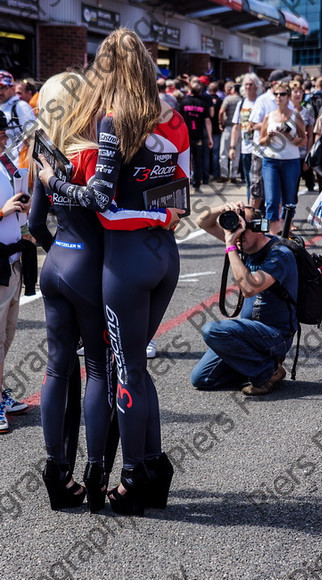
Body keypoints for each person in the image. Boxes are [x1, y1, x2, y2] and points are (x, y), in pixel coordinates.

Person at [37, 27, 189, 516]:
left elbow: (100, 197)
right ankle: (153, 468)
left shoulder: (110, 121)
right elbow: (179, 198)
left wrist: (51, 178)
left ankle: (129, 480)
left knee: (121, 371)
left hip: (122, 256)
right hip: (164, 249)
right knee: (137, 372)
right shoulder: (174, 119)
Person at [29, 72, 115, 511]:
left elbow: (33, 225)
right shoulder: (96, 151)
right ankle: (97, 471)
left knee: (57, 368)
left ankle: (54, 469)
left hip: (56, 265)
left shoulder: (42, 150)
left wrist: (57, 255)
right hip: (88, 269)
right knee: (99, 369)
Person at [191, 203, 298, 395]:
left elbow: (250, 288)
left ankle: (265, 372)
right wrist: (224, 208)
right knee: (201, 379)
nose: (236, 233)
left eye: (241, 227)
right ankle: (265, 366)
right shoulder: (245, 242)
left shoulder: (279, 254)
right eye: (233, 227)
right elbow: (202, 222)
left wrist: (230, 246)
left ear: (258, 227)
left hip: (275, 335)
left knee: (211, 331)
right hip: (249, 332)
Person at [0, 110, 30, 433]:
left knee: (7, 334)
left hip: (13, 259)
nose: (6, 139)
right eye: (1, 136)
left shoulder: (7, 165)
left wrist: (22, 212)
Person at [259, 82, 306, 235]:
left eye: (282, 94)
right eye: (276, 94)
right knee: (272, 200)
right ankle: (273, 235)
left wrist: (289, 137)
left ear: (288, 97)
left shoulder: (295, 116)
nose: (279, 97)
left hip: (291, 161)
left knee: (289, 200)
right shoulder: (269, 116)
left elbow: (304, 140)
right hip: (270, 161)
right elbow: (260, 141)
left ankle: (285, 232)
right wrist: (269, 137)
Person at [248, 69, 292, 209]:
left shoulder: (287, 100)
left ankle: (276, 225)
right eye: (284, 82)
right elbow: (253, 124)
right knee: (257, 190)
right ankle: (250, 223)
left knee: (276, 192)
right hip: (262, 151)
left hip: (282, 154)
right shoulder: (263, 100)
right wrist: (273, 125)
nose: (287, 85)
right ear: (274, 83)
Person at [229, 73, 263, 201]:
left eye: (251, 84)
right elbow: (236, 127)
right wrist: (232, 147)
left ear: (256, 86)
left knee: (258, 182)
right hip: (245, 148)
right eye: (246, 84)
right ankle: (251, 211)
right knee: (249, 182)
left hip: (259, 148)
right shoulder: (241, 103)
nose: (248, 87)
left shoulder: (260, 102)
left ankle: (260, 209)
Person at [178, 76, 212, 192]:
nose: (197, 84)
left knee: (189, 161)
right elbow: (207, 121)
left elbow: (178, 120)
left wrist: (210, 137)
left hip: (192, 137)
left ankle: (193, 184)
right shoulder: (200, 103)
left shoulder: (185, 102)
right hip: (191, 137)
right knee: (196, 161)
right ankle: (194, 184)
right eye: (195, 82)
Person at [0, 70, 35, 167]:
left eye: (2, 88)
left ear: (12, 87)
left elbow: (33, 136)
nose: (0, 92)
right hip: (4, 166)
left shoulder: (20, 106)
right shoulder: (2, 107)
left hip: (18, 167)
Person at [290, 80, 315, 193]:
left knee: (309, 185)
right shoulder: (285, 111)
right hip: (288, 155)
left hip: (302, 155)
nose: (299, 94)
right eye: (295, 92)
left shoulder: (307, 112)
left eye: (300, 91)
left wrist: (308, 156)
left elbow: (310, 136)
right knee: (290, 188)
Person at [218, 82, 241, 183]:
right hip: (239, 128)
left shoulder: (228, 99)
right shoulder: (242, 100)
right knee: (236, 152)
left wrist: (220, 122)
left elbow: (221, 111)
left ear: (233, 90)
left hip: (228, 127)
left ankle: (224, 174)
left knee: (224, 152)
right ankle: (234, 175)